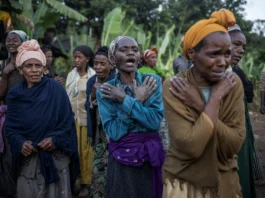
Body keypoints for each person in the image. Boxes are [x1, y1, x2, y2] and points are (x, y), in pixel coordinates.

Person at [162, 9, 246, 197]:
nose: (223, 62)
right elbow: (190, 147)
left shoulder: (232, 85)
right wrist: (215, 99)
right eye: (214, 54)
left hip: (225, 183)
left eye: (227, 54)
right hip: (184, 184)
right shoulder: (174, 86)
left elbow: (233, 145)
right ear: (192, 54)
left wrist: (202, 104)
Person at [4, 39, 80, 198]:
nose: (34, 70)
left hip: (56, 160)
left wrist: (55, 139)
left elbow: (67, 123)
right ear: (21, 70)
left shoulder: (56, 89)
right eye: (28, 66)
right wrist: (20, 142)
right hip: (28, 161)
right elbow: (11, 128)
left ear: (45, 69)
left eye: (38, 65)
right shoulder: (15, 95)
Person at [97, 36, 165, 198]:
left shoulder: (152, 82)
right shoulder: (106, 90)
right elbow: (114, 132)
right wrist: (136, 101)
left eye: (135, 50)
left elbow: (155, 122)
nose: (130, 53)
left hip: (150, 159)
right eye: (124, 50)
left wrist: (125, 101)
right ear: (113, 58)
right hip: (122, 161)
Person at [229, 24, 264, 198]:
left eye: (243, 47)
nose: (241, 50)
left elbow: (249, 93)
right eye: (236, 44)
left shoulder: (237, 72)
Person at [0, 30, 28, 198]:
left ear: (23, 42)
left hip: (26, 117)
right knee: (7, 157)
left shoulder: (29, 63)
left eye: (14, 40)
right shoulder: (3, 65)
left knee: (23, 155)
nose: (10, 42)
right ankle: (8, 192)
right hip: (7, 118)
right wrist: (5, 74)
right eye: (8, 40)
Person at [85, 46, 115, 197]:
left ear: (111, 65)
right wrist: (93, 96)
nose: (98, 67)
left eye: (102, 63)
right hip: (99, 132)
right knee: (97, 169)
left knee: (113, 169)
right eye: (96, 63)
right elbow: (88, 106)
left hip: (114, 134)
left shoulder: (116, 80)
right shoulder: (91, 81)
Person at [66, 45, 95, 197]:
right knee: (74, 151)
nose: (76, 60)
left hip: (87, 120)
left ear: (87, 59)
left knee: (87, 152)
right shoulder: (71, 76)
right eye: (75, 57)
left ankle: (86, 184)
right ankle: (76, 182)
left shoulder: (93, 76)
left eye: (79, 57)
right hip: (73, 120)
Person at [138, 47, 169, 150]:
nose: (155, 60)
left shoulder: (157, 70)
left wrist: (156, 68)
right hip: (147, 102)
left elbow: (164, 79)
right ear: (145, 60)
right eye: (152, 58)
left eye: (155, 58)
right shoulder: (141, 71)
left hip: (159, 101)